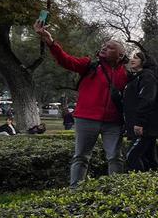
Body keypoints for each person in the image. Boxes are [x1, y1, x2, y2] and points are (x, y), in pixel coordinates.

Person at [35, 21, 127, 187]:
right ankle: (75, 190)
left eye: (110, 47)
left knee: (115, 156)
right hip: (86, 119)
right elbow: (66, 61)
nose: (105, 48)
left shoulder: (126, 74)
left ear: (120, 55)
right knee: (81, 156)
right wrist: (50, 41)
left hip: (113, 122)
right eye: (104, 45)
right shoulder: (90, 65)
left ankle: (116, 188)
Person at [123, 50, 158, 172]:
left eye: (136, 58)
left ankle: (140, 184)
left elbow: (147, 100)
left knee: (131, 156)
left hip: (145, 127)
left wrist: (140, 122)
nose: (132, 60)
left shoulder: (147, 77)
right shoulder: (137, 77)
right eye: (132, 57)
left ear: (144, 62)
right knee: (149, 158)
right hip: (143, 126)